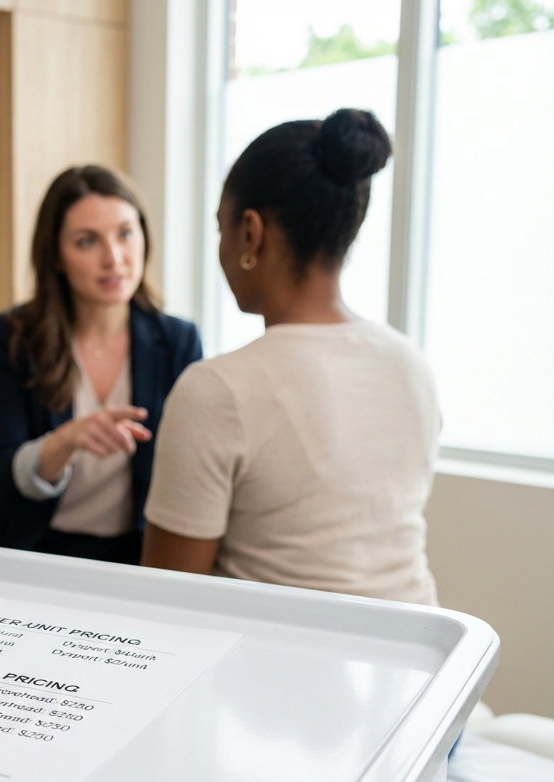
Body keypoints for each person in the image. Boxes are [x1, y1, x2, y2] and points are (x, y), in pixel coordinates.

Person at [141, 108, 441, 606]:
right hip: (424, 664)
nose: (221, 248)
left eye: (222, 229)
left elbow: (167, 600)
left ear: (251, 233)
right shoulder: (411, 363)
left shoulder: (216, 389)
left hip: (283, 674)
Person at [0, 166, 201, 564]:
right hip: (27, 544)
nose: (114, 258)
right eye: (87, 242)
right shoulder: (11, 336)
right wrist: (66, 441)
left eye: (125, 233)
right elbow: (2, 477)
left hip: (133, 555)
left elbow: (191, 473)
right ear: (55, 256)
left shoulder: (179, 341)